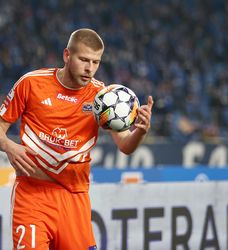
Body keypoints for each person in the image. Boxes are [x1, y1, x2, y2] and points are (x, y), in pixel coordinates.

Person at [0, 28, 153, 249]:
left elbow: (125, 146)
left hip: (74, 197)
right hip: (32, 194)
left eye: (96, 62)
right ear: (67, 55)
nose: (90, 68)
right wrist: (8, 146)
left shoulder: (103, 97)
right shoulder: (31, 84)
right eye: (84, 59)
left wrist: (140, 131)